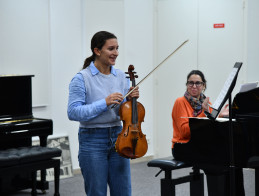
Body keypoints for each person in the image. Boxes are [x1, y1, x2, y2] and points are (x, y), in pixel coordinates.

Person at [67, 31, 139, 196]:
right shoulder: (81, 78)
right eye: (111, 49)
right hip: (92, 139)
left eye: (117, 48)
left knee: (123, 191)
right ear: (97, 51)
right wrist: (104, 102)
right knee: (97, 192)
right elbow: (73, 112)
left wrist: (130, 102)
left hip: (119, 137)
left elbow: (123, 112)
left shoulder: (121, 76)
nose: (116, 53)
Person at [171, 70, 245, 196]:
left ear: (203, 85)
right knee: (217, 164)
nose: (194, 86)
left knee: (234, 162)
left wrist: (221, 115)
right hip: (182, 146)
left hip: (200, 145)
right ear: (186, 85)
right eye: (190, 83)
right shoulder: (180, 102)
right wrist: (204, 114)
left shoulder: (206, 102)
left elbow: (210, 125)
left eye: (198, 83)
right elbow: (184, 132)